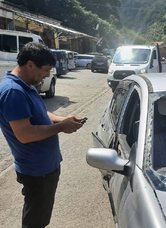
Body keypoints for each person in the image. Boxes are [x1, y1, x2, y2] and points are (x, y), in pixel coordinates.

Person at [0, 42, 85, 228]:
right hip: (36, 171)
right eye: (45, 70)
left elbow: (42, 114)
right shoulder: (13, 91)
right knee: (35, 222)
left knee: (40, 218)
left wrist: (62, 119)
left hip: (46, 168)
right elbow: (25, 134)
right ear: (30, 65)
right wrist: (61, 127)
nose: (47, 75)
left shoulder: (26, 85)